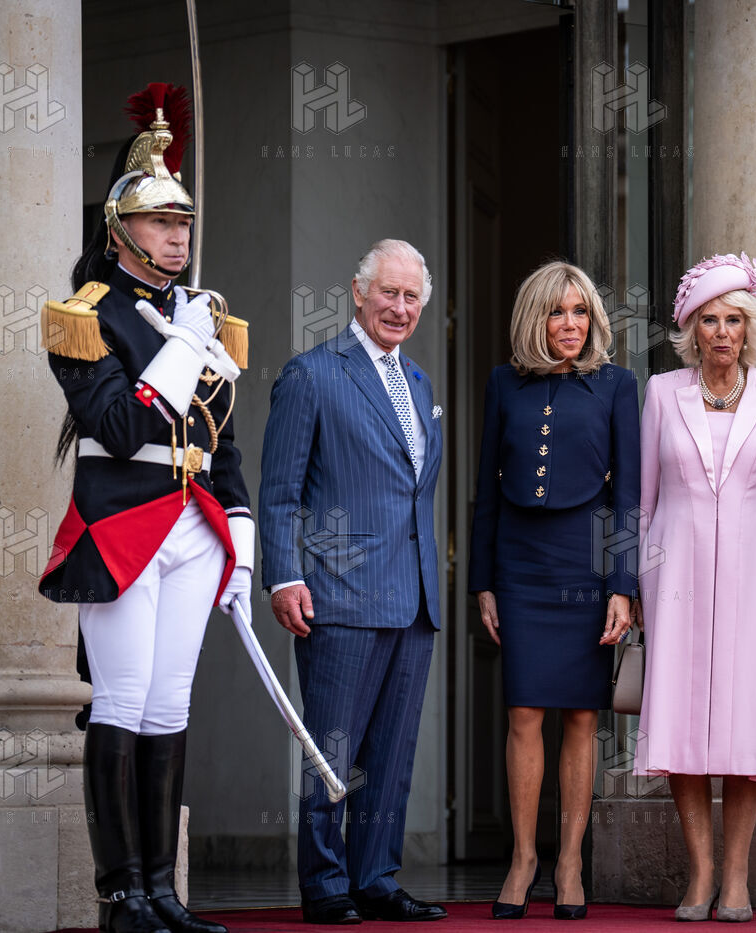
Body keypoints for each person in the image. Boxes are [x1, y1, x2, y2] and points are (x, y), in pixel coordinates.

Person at [39, 83, 250, 933]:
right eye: (161, 221)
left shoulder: (203, 317)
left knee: (171, 706)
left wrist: (241, 544)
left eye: (183, 222)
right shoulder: (83, 317)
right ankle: (120, 893)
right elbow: (121, 428)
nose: (178, 235)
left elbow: (223, 446)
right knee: (121, 700)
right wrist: (183, 347)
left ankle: (163, 889)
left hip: (196, 528)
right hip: (123, 526)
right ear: (119, 229)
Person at [258, 239, 447, 925]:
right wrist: (283, 576)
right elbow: (279, 491)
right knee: (331, 749)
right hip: (338, 594)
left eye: (412, 297)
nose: (400, 307)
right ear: (359, 292)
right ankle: (324, 881)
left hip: (414, 598)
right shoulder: (311, 374)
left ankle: (375, 877)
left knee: (391, 756)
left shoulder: (419, 383)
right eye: (389, 292)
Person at [633, 253, 756, 924]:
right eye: (710, 320)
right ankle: (700, 870)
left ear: (749, 328)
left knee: (745, 722)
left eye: (734, 320)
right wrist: (635, 584)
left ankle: (735, 875)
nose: (722, 332)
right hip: (674, 571)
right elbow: (643, 501)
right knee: (682, 718)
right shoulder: (660, 393)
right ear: (691, 330)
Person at [469, 261, 639, 920]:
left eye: (580, 311)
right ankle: (523, 858)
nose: (570, 324)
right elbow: (486, 488)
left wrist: (622, 584)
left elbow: (629, 496)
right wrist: (483, 581)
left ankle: (569, 860)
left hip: (586, 563)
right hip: (520, 564)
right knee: (523, 713)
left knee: (582, 717)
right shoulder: (502, 383)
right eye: (556, 311)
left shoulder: (617, 385)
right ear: (533, 319)